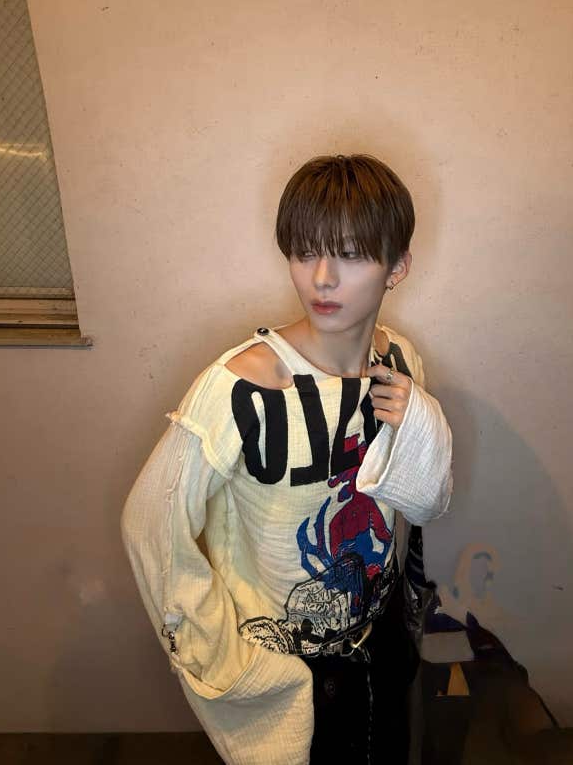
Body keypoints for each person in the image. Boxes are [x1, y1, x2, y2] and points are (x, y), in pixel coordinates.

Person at [121, 153, 453, 765]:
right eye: (304, 253)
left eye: (350, 255)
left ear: (397, 267)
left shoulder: (400, 363)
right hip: (287, 667)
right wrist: (225, 660)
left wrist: (420, 422)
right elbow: (150, 524)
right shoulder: (242, 387)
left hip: (381, 643)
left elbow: (420, 501)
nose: (322, 278)